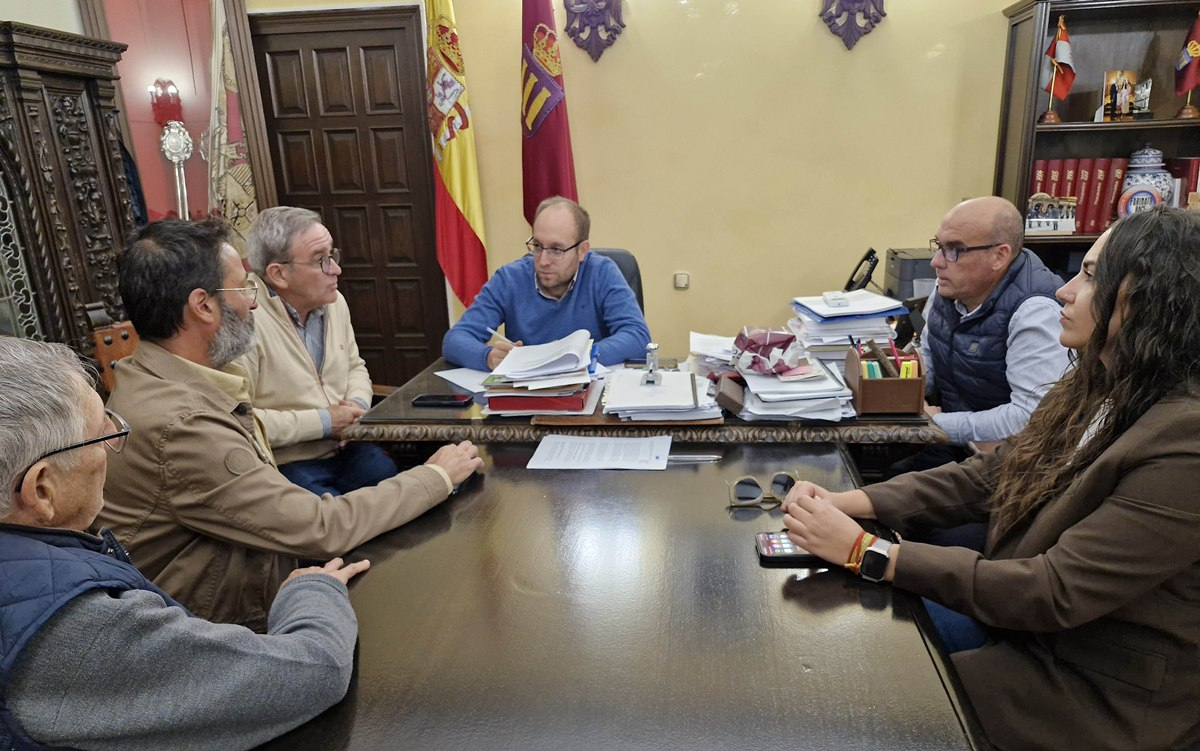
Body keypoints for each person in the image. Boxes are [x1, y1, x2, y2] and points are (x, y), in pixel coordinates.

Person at [781, 206, 1200, 751]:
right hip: (1024, 638)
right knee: (839, 645)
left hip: (1097, 694)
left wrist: (869, 553)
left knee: (853, 703)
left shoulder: (1185, 443)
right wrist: (853, 501)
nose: (1063, 291)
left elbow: (1054, 590)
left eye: (1090, 276)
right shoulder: (1101, 383)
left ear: (1149, 298)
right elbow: (991, 475)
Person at [100, 219, 483, 631]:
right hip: (223, 631)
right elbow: (321, 527)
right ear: (203, 306)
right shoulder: (184, 425)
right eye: (244, 288)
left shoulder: (158, 377)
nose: (254, 304)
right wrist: (436, 476)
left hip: (246, 587)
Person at [0, 336, 369, 751]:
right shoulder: (70, 626)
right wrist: (311, 591)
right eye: (100, 433)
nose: (113, 444)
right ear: (42, 490)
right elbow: (312, 673)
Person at [235, 206, 394, 495]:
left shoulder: (335, 301)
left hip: (345, 446)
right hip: (284, 461)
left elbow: (355, 366)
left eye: (332, 255)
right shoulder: (243, 317)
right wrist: (324, 422)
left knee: (391, 483)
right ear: (279, 274)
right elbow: (240, 420)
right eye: (321, 260)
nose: (336, 269)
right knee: (329, 509)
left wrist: (356, 406)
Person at [911, 195, 1068, 470]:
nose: (936, 262)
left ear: (999, 256)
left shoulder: (1035, 311)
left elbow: (1028, 417)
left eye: (954, 250)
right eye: (939, 246)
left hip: (1008, 462)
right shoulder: (951, 286)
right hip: (955, 444)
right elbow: (929, 356)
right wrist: (897, 393)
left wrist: (934, 423)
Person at [442, 196, 651, 371]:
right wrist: (488, 357)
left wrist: (576, 355)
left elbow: (638, 336)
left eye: (556, 249)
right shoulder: (509, 279)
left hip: (588, 393)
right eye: (538, 246)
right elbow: (455, 339)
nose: (543, 260)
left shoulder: (602, 272)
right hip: (526, 397)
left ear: (582, 251)